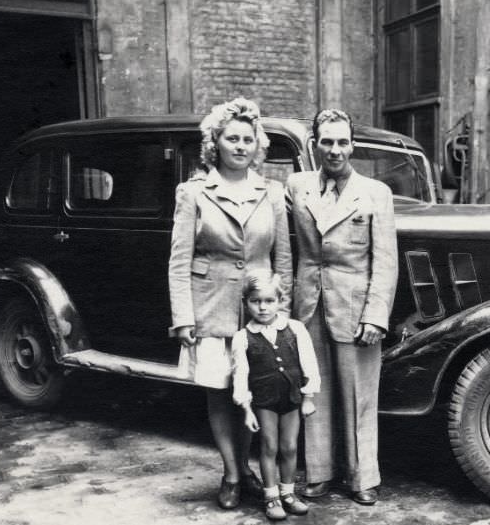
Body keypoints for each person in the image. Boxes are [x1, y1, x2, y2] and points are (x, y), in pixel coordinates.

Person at [168, 97, 292, 510]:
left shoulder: (271, 192)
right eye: (231, 138)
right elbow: (179, 260)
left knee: (256, 394)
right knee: (221, 394)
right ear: (215, 143)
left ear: (258, 145)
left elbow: (283, 259)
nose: (240, 145)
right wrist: (184, 317)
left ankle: (249, 467)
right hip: (212, 308)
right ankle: (233, 473)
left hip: (259, 309)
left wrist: (283, 312)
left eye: (248, 139)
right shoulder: (194, 192)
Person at [285, 108, 398, 505]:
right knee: (314, 391)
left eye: (342, 142)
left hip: (355, 308)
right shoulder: (297, 186)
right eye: (327, 142)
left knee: (359, 395)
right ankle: (318, 473)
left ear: (353, 145)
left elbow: (385, 261)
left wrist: (375, 315)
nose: (335, 151)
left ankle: (362, 477)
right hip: (309, 304)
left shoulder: (375, 193)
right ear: (315, 145)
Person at [231, 269, 320, 520]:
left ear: (280, 302)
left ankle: (288, 493)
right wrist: (246, 409)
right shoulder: (243, 338)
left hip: (291, 398)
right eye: (255, 301)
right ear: (245, 303)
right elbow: (240, 374)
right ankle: (271, 497)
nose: (262, 308)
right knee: (269, 446)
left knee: (290, 447)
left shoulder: (295, 329)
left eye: (269, 301)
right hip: (264, 401)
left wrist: (309, 397)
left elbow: (309, 364)